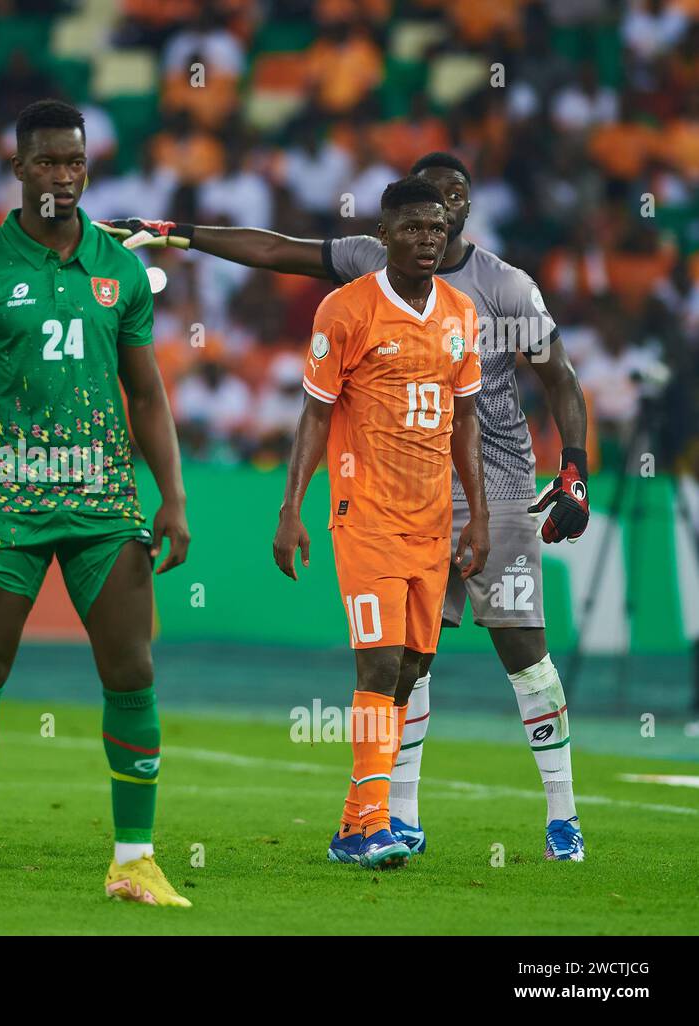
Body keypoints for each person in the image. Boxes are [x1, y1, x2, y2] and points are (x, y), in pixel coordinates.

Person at [105, 151, 590, 861]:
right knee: (406, 662)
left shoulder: (502, 288)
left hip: (499, 485)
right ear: (396, 223)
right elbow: (275, 251)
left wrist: (573, 466)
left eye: (453, 199)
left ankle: (563, 816)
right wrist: (175, 233)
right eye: (426, 206)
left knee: (523, 650)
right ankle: (397, 814)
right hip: (398, 494)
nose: (441, 214)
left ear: (466, 206)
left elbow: (561, 377)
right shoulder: (370, 264)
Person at [0, 99, 192, 906]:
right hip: (8, 507)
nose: (63, 174)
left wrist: (173, 496)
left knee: (131, 672)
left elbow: (149, 394)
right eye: (48, 161)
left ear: (86, 166)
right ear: (20, 168)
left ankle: (134, 861)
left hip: (105, 505)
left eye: (75, 160)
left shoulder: (121, 270)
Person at [271, 177, 488, 869]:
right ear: (386, 233)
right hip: (364, 515)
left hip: (431, 521)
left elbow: (467, 419)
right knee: (382, 660)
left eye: (437, 229)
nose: (428, 239)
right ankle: (371, 824)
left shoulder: (461, 312)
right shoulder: (346, 309)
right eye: (414, 228)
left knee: (415, 667)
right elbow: (314, 412)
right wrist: (290, 509)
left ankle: (356, 821)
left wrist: (476, 515)